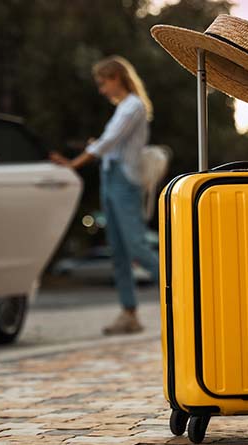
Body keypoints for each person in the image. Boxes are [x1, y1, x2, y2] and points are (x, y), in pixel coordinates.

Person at [50, 55, 159, 335]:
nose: (102, 90)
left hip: (125, 181)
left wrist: (75, 163)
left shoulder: (133, 106)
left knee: (136, 247)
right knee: (119, 252)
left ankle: (190, 296)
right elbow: (108, 144)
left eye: (103, 83)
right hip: (110, 179)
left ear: (116, 78)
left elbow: (109, 141)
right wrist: (95, 148)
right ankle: (129, 314)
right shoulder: (122, 108)